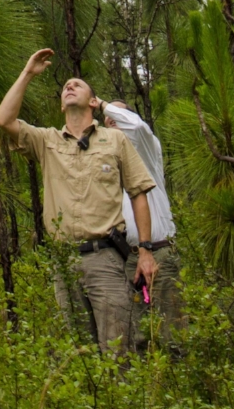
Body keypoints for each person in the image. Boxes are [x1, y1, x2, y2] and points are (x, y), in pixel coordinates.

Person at [0, 49, 158, 353]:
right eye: (65, 86)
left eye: (77, 84)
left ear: (93, 103)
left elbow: (138, 193)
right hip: (64, 263)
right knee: (78, 357)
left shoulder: (115, 140)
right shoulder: (46, 141)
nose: (69, 86)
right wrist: (28, 73)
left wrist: (146, 251)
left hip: (107, 259)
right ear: (61, 104)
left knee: (117, 354)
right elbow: (3, 119)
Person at [94, 96, 183, 342]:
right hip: (123, 258)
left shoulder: (146, 148)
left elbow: (136, 127)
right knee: (135, 337)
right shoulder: (107, 164)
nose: (111, 119)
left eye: (118, 115)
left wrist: (102, 105)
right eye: (107, 120)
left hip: (158, 253)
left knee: (171, 335)